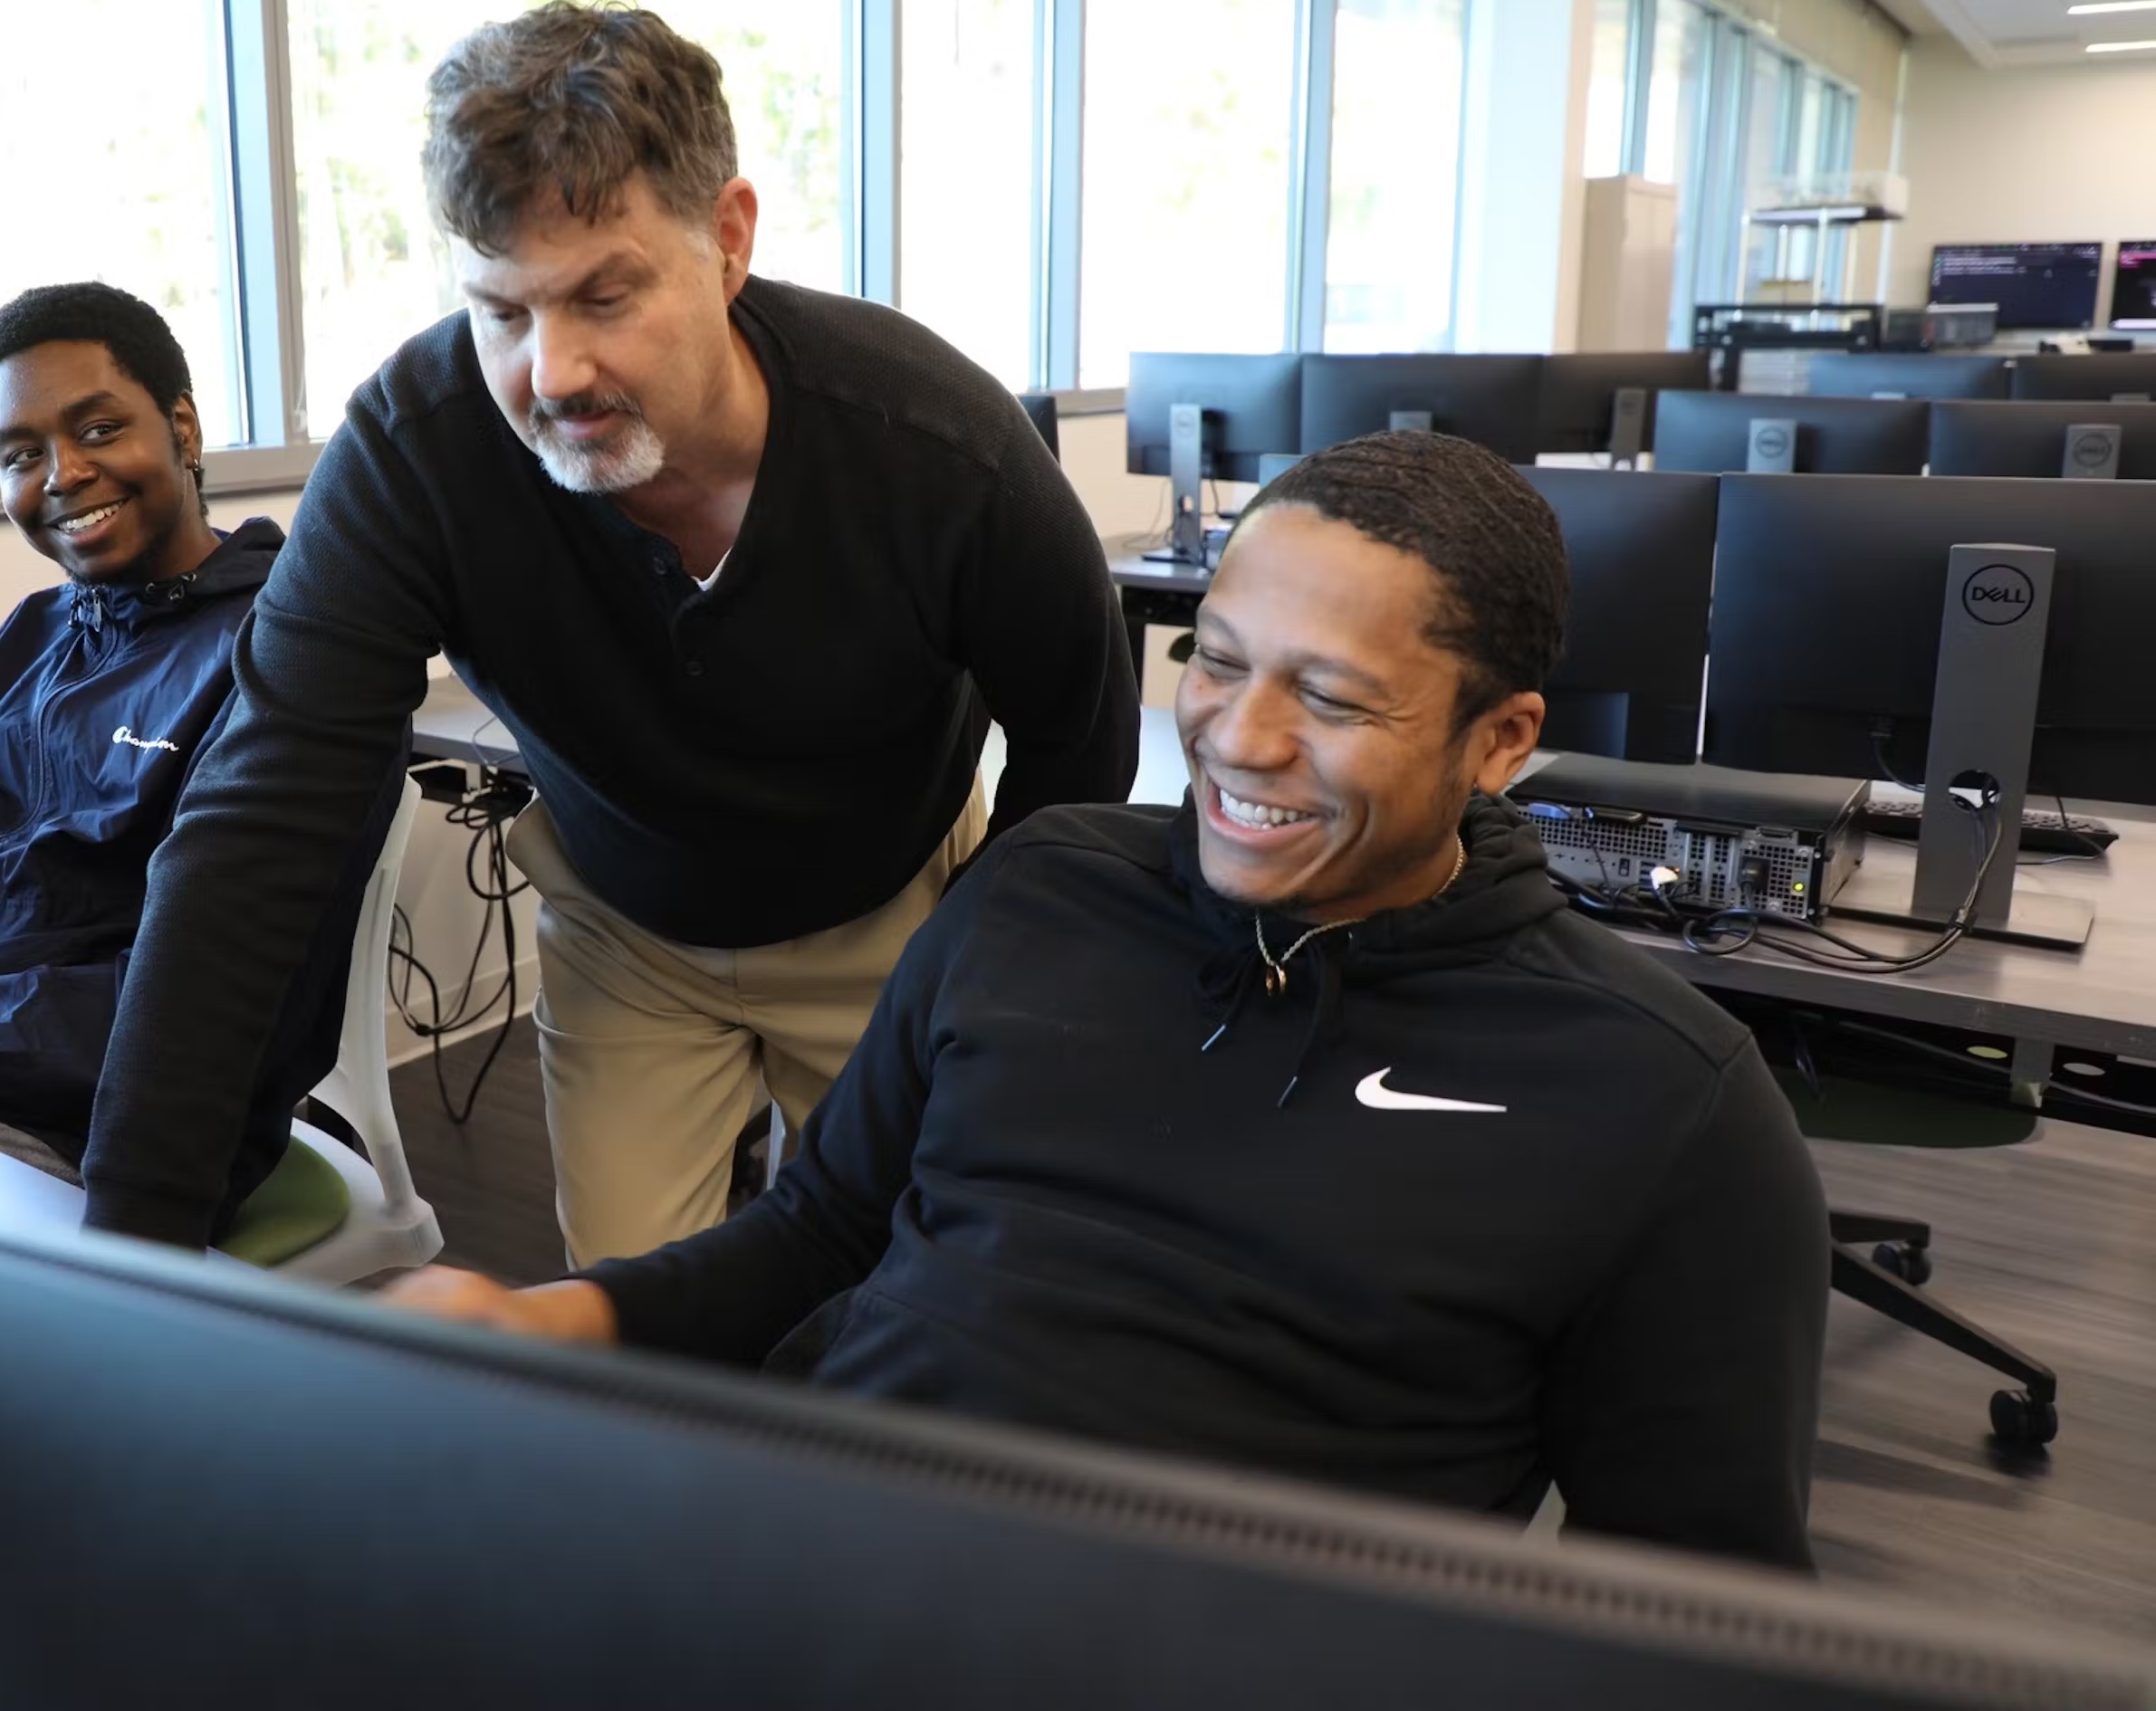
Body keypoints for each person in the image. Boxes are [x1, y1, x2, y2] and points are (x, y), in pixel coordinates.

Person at [382, 431, 1835, 1572]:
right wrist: (543, 1323)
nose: (1237, 739)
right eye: (1214, 659)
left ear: (1499, 742)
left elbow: (1696, 1605)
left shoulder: (1658, 1101)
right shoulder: (1041, 888)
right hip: (811, 1572)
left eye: (1328, 700)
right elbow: (817, 1237)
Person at [78, 0, 1137, 1258]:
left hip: (885, 916)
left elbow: (1081, 737)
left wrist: (973, 957)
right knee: (635, 1334)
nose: (555, 371)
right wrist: (126, 1247)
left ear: (728, 239)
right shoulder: (416, 452)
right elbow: (258, 820)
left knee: (906, 1298)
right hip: (626, 930)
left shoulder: (937, 448)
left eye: (605, 296)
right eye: (504, 313)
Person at [0, 282, 389, 1206]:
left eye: (97, 430)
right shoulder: (28, 640)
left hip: (94, 1129)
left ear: (182, 428)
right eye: (21, 453)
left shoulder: (284, 659)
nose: (61, 474)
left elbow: (214, 1007)